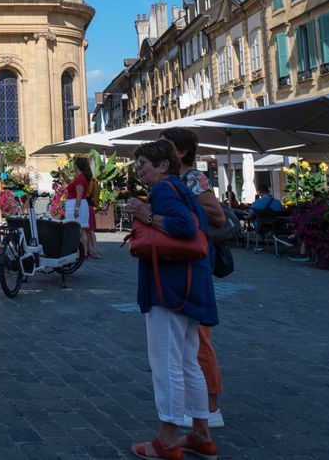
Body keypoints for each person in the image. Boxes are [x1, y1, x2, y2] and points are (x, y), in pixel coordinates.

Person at [124, 140, 218, 460]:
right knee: (189, 362)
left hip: (170, 289)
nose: (139, 170)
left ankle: (168, 438)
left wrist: (145, 214)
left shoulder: (164, 191)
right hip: (190, 288)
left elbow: (180, 227)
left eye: (143, 164)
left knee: (166, 364)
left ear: (164, 165)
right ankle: (202, 434)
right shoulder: (183, 190)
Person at [159, 126, 228, 429]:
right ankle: (199, 404)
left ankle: (211, 407)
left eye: (164, 147)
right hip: (184, 261)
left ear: (181, 152)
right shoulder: (177, 180)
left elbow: (217, 214)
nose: (158, 151)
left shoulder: (193, 179)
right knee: (190, 337)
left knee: (199, 336)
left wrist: (182, 204)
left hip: (198, 260)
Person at [67, 157, 98, 259]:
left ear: (77, 166)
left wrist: (76, 209)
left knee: (77, 230)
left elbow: (79, 195)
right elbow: (74, 188)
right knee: (82, 230)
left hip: (77, 205)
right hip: (81, 204)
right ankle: (83, 253)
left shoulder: (80, 179)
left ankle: (79, 252)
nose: (73, 166)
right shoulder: (80, 177)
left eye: (74, 164)